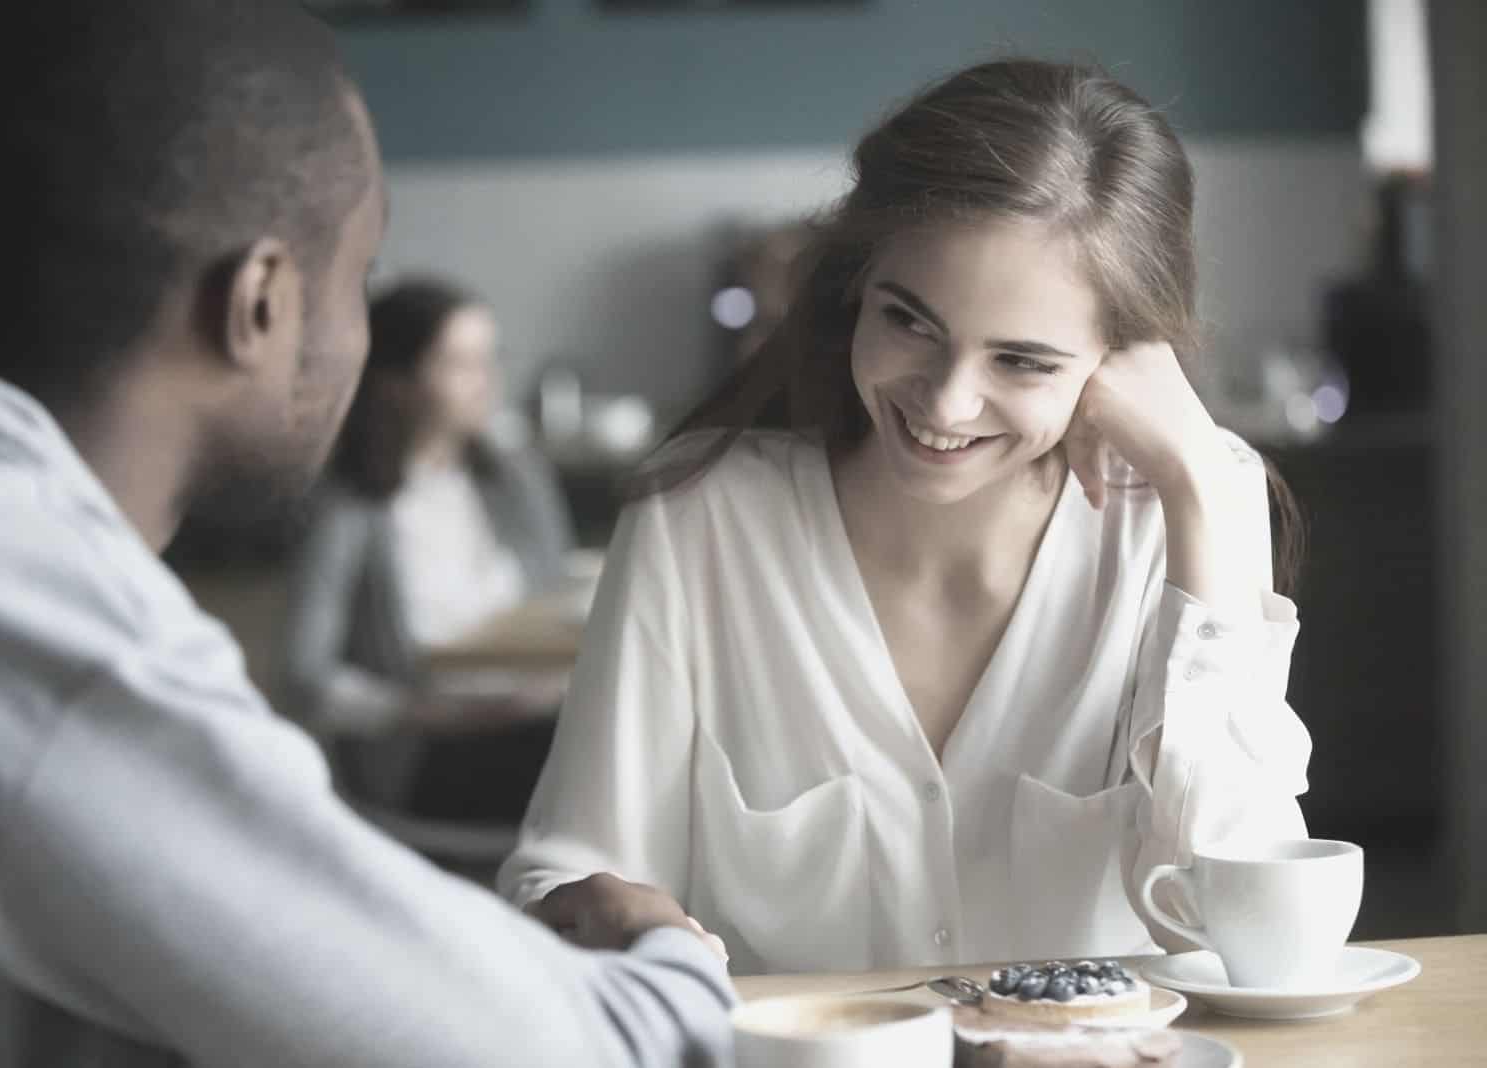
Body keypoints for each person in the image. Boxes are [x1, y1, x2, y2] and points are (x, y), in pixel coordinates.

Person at [0, 2, 733, 1066]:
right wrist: (672, 948)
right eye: (359, 275)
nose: (361, 335)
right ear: (260, 302)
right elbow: (566, 1054)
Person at [500, 58, 1314, 975]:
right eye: (910, 322)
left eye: (1024, 361)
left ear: (1120, 360)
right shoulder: (701, 520)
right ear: (858, 283)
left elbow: (1243, 931)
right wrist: (619, 924)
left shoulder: (1173, 519)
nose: (947, 405)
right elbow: (572, 876)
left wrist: (1201, 488)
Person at [280, 278, 573, 823]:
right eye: (459, 365)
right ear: (395, 382)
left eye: (490, 360)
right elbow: (305, 678)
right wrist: (432, 714)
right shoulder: (349, 506)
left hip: (534, 719)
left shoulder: (514, 479)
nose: (486, 383)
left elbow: (555, 606)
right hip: (424, 750)